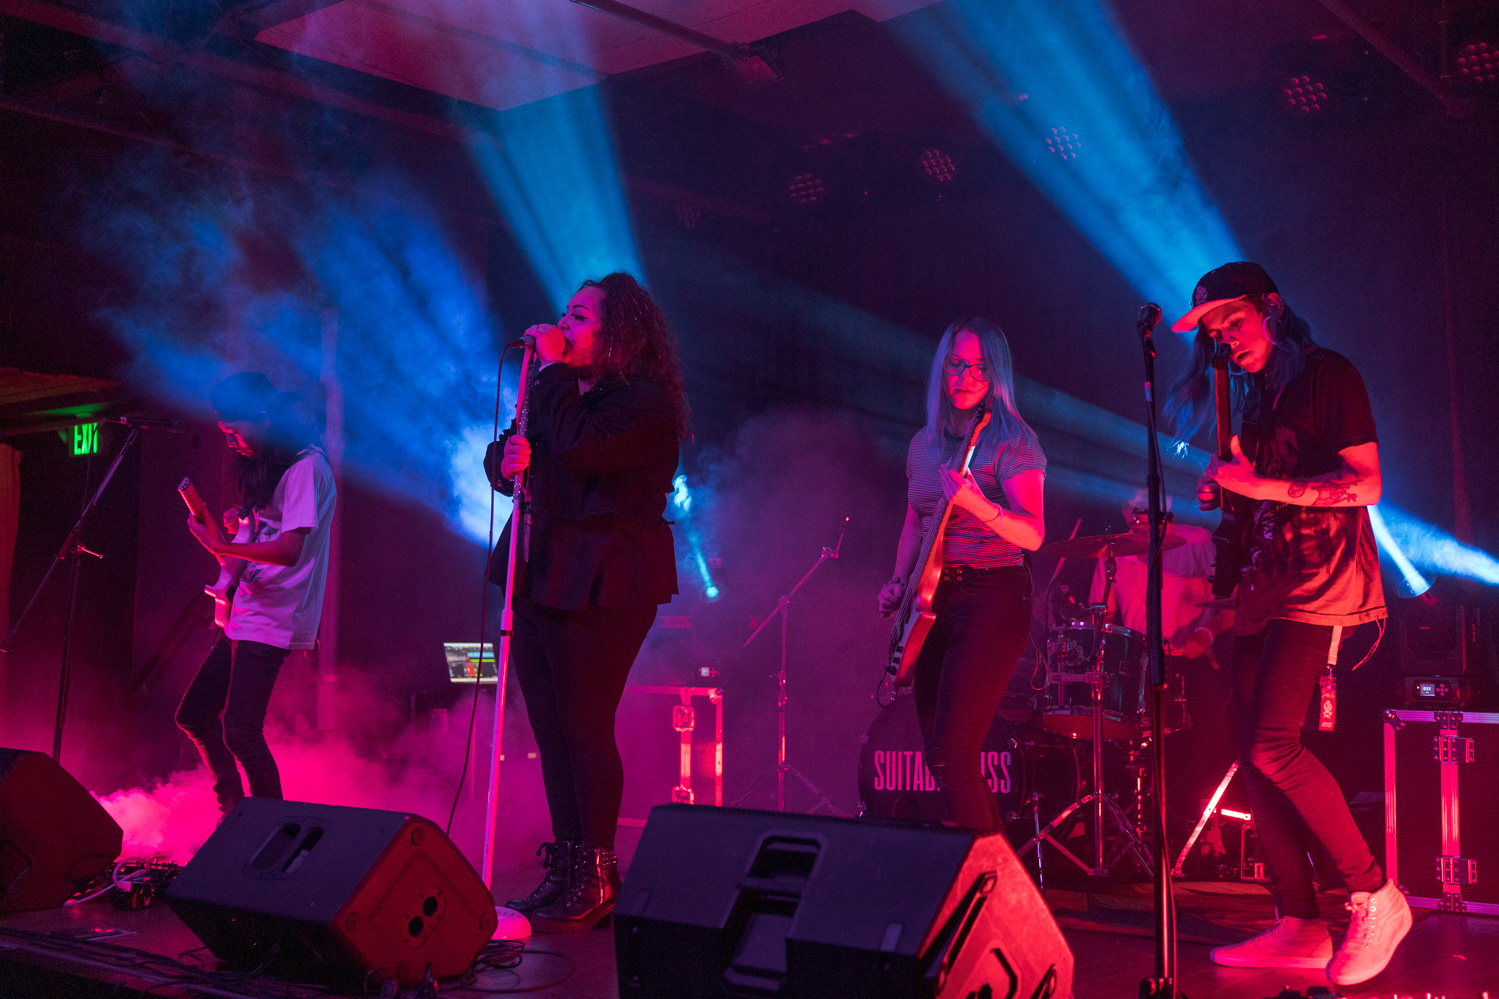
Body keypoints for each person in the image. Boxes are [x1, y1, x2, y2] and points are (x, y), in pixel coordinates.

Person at [1165, 262, 1408, 987]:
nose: (1223, 338)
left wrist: (1261, 485)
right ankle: (1298, 922)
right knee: (1251, 749)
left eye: (1231, 321)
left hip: (1322, 580)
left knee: (1274, 742)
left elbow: (1365, 482)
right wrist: (1228, 516)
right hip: (1266, 588)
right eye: (1212, 330)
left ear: (1270, 307)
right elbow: (1250, 513)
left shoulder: (1326, 374)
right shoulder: (1252, 399)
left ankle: (1373, 893)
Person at [486, 273, 685, 933]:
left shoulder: (645, 402)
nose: (562, 326)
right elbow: (513, 464)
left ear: (617, 332)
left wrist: (547, 372)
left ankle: (598, 872)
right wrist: (505, 457)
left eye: (578, 316)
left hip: (606, 576)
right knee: (549, 729)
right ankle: (568, 864)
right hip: (541, 567)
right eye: (563, 315)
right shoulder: (555, 391)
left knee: (583, 723)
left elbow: (583, 449)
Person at [878, 317, 1046, 832]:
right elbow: (916, 520)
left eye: (978, 367)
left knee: (955, 747)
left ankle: (996, 891)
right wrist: (898, 580)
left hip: (994, 595)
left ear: (995, 376)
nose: (966, 376)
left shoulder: (1010, 441)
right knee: (939, 756)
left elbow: (1034, 534)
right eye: (956, 364)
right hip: (933, 605)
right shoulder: (922, 446)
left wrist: (980, 505)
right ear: (942, 370)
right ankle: (976, 874)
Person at [178, 373, 337, 816]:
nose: (230, 442)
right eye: (223, 433)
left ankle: (273, 832)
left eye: (235, 431)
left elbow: (290, 551)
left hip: (273, 618)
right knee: (194, 715)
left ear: (266, 417)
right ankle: (233, 812)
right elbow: (272, 531)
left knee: (241, 731)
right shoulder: (277, 464)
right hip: (246, 611)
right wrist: (241, 524)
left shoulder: (307, 466)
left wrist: (222, 545)